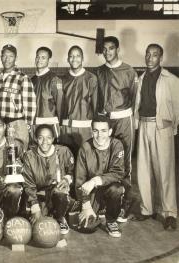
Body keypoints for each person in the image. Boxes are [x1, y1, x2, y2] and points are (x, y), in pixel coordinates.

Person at [134, 44, 179, 230]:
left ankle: (169, 213)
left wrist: (171, 126)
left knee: (165, 171)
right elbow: (137, 104)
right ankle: (147, 209)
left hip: (162, 127)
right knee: (143, 170)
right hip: (143, 125)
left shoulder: (171, 79)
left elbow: (177, 107)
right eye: (148, 54)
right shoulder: (141, 78)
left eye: (155, 55)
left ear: (161, 58)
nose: (150, 58)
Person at [96, 36, 138, 221]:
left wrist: (132, 119)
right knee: (106, 160)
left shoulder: (129, 71)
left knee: (125, 161)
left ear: (117, 49)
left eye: (111, 48)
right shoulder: (99, 71)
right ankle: (108, 201)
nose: (107, 52)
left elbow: (135, 98)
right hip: (106, 120)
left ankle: (125, 202)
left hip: (124, 119)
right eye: (104, 49)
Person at [76, 115, 125, 237]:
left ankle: (111, 220)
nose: (99, 135)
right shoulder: (85, 148)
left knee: (117, 189)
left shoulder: (117, 145)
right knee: (87, 227)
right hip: (91, 192)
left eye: (103, 131)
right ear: (91, 131)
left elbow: (118, 173)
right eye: (95, 131)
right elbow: (79, 180)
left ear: (110, 131)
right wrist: (86, 205)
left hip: (109, 188)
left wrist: (95, 180)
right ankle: (97, 210)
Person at [22, 124, 75, 234]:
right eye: (41, 137)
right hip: (38, 194)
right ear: (36, 139)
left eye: (48, 138)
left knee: (61, 192)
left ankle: (60, 217)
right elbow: (28, 183)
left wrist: (66, 179)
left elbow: (73, 171)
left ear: (53, 139)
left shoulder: (63, 151)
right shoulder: (29, 156)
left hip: (56, 192)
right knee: (36, 223)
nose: (45, 141)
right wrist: (35, 206)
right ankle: (44, 211)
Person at [0, 44, 36, 150]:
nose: (7, 59)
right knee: (2, 156)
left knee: (19, 156)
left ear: (16, 58)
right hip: (1, 124)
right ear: (1, 57)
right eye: (4, 56)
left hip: (17, 123)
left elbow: (30, 104)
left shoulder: (22, 78)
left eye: (11, 56)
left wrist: (28, 125)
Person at [59, 45, 98, 156]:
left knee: (85, 160)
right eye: (71, 56)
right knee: (67, 160)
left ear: (82, 58)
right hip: (66, 128)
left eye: (77, 56)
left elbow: (95, 105)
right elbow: (60, 105)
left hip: (85, 128)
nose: (74, 59)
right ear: (67, 59)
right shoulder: (63, 79)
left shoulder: (91, 78)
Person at [31, 47, 62, 140]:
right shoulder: (31, 80)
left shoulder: (54, 79)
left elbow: (60, 104)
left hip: (50, 123)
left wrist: (59, 123)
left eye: (43, 57)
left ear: (49, 60)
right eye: (37, 57)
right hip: (35, 123)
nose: (39, 60)